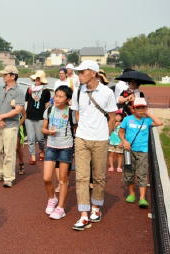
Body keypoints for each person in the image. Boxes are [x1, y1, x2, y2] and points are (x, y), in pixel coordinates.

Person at [71, 60, 118, 231]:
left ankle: (96, 208)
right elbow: (76, 112)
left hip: (100, 140)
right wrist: (80, 130)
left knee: (99, 176)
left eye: (82, 72)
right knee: (81, 177)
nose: (79, 75)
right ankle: (83, 215)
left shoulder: (107, 92)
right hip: (82, 138)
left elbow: (112, 117)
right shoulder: (77, 91)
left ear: (92, 72)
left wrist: (106, 135)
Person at [119, 97, 163, 208]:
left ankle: (142, 198)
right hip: (129, 151)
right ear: (133, 109)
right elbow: (121, 132)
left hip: (143, 151)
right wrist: (124, 141)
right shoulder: (127, 119)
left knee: (142, 174)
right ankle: (132, 193)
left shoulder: (147, 121)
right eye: (138, 108)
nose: (141, 110)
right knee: (129, 173)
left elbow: (159, 122)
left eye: (143, 108)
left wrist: (148, 113)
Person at [42, 85, 76, 220]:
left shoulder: (71, 112)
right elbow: (43, 129)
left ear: (67, 99)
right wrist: (48, 132)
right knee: (46, 178)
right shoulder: (49, 110)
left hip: (66, 147)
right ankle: (52, 198)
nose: (57, 98)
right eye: (56, 95)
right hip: (51, 146)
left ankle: (61, 208)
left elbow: (76, 129)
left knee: (63, 179)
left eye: (61, 96)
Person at [0, 65, 25, 188]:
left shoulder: (19, 91)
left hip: (10, 125)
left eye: (5, 74)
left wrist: (1, 116)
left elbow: (18, 110)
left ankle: (8, 177)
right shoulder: (0, 89)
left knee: (9, 152)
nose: (3, 76)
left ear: (12, 76)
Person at [25, 70, 51, 164]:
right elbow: (26, 102)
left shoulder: (46, 91)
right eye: (36, 78)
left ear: (42, 80)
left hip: (40, 118)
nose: (36, 80)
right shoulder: (29, 89)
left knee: (40, 138)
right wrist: (24, 115)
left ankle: (42, 150)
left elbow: (47, 105)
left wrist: (46, 118)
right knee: (31, 139)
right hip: (29, 117)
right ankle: (32, 157)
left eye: (38, 79)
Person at [17, 108, 27, 174]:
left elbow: (24, 115)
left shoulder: (17, 100)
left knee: (17, 147)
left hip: (17, 125)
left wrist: (19, 124)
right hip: (6, 125)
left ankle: (21, 162)